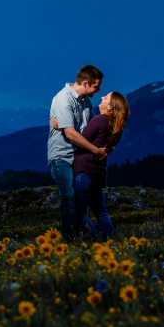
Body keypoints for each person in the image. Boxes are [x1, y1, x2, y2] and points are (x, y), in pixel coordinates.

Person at [51, 91, 130, 239]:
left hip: (86, 171)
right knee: (101, 212)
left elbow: (81, 140)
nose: (101, 97)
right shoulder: (114, 126)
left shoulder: (100, 120)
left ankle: (95, 243)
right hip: (98, 173)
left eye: (106, 98)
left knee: (79, 213)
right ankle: (110, 242)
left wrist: (62, 128)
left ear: (110, 108)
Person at [48, 65, 108, 240]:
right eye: (96, 86)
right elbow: (71, 134)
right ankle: (69, 239)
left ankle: (87, 237)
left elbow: (89, 130)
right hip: (62, 157)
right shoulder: (63, 99)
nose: (98, 90)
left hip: (79, 156)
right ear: (85, 83)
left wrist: (66, 128)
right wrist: (96, 150)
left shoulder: (87, 102)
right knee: (68, 196)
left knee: (82, 200)